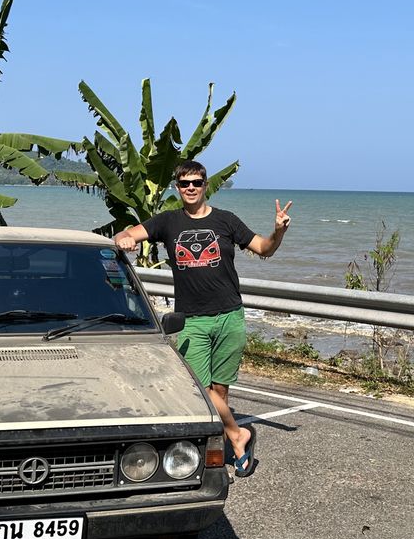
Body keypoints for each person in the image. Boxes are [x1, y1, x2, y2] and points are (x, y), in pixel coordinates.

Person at [114, 160, 292, 478]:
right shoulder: (168, 222)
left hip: (230, 317)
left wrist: (277, 232)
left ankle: (215, 446)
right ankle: (238, 436)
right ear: (177, 188)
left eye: (196, 182)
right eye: (185, 184)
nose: (191, 188)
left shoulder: (226, 221)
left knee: (220, 392)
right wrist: (125, 237)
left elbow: (264, 249)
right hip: (192, 320)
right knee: (200, 388)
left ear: (205, 185)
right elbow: (127, 233)